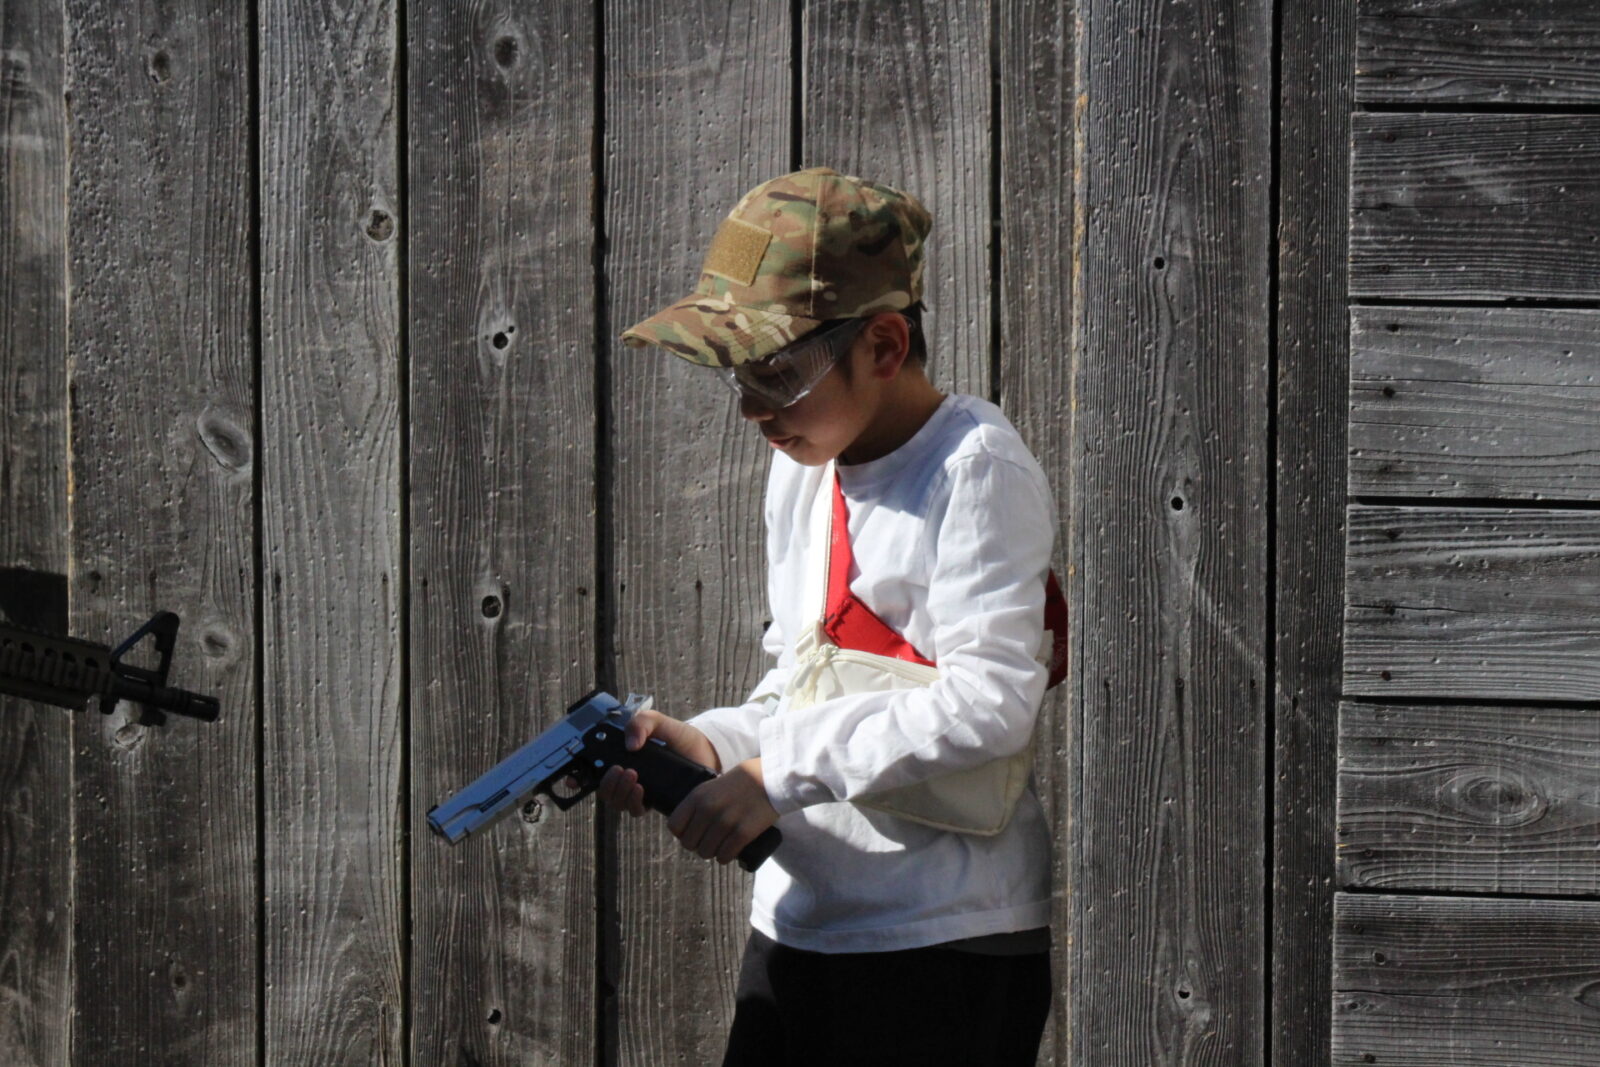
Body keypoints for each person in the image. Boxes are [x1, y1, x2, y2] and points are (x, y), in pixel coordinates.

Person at [609, 167, 1056, 1066]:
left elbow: (994, 702)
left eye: (778, 372)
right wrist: (710, 746)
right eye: (738, 376)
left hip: (940, 940)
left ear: (884, 345)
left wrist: (776, 774)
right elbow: (802, 676)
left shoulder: (974, 466)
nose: (753, 409)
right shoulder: (805, 465)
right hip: (802, 923)